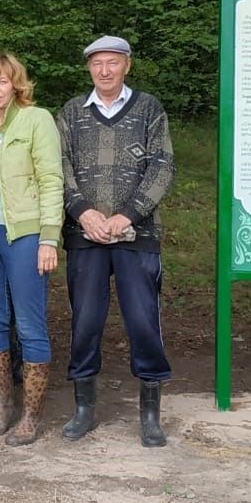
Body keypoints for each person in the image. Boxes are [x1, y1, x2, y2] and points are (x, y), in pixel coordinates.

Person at [56, 35, 175, 447]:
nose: (104, 71)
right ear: (88, 67)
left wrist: (128, 214)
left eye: (112, 63)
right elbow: (60, 165)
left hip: (135, 235)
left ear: (127, 64)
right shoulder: (72, 112)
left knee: (143, 321)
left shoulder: (149, 108)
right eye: (96, 64)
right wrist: (82, 211)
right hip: (84, 235)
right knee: (84, 322)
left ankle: (150, 413)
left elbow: (162, 167)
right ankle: (84, 409)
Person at [0, 52, 63, 446]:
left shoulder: (37, 120)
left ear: (15, 84)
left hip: (23, 235)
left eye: (2, 81)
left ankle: (30, 415)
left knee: (29, 324)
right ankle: (4, 407)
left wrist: (48, 237)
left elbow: (52, 179)